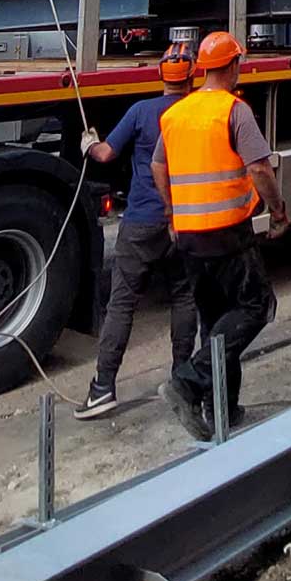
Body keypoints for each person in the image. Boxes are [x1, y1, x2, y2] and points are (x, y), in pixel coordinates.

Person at [151, 31, 287, 438]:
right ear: (231, 66)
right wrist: (278, 210)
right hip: (228, 233)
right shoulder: (234, 111)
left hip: (190, 237)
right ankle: (188, 383)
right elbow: (261, 169)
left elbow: (159, 167)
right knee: (257, 307)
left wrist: (173, 211)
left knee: (217, 324)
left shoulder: (177, 113)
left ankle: (223, 410)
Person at [72, 52, 197, 420]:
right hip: (183, 221)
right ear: (192, 76)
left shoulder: (141, 111)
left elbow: (107, 154)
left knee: (123, 303)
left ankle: (103, 388)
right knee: (184, 297)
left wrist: (88, 144)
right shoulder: (195, 112)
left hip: (142, 219)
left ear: (161, 75)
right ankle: (181, 377)